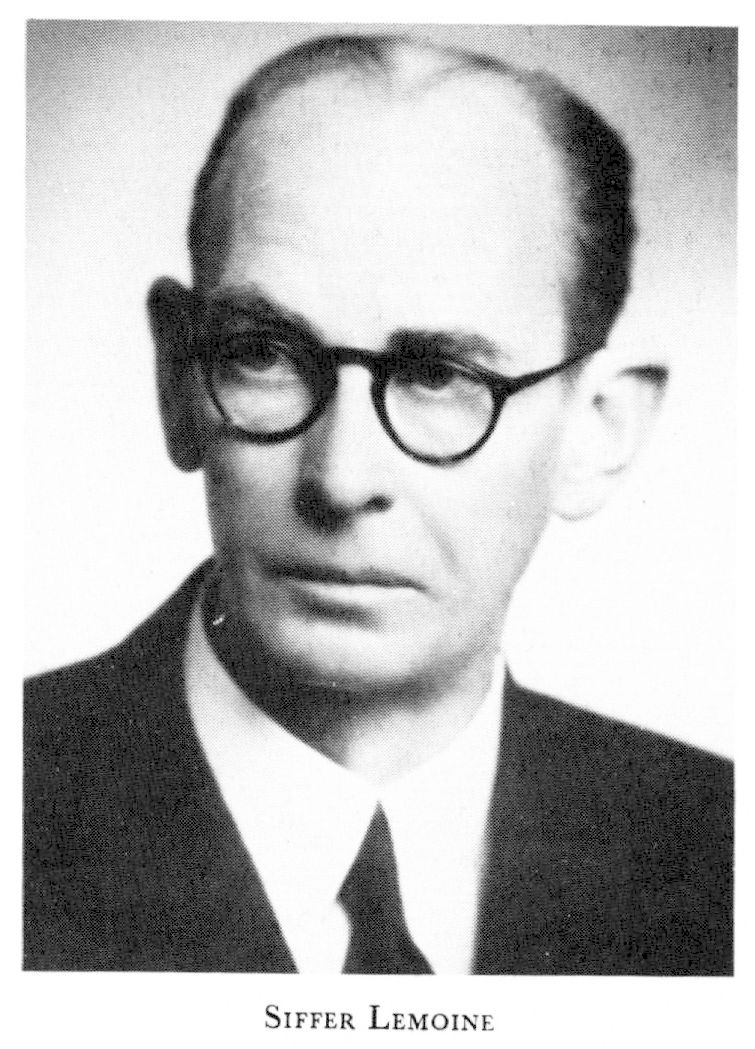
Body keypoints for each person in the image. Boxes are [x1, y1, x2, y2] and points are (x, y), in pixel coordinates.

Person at [24, 32, 732, 974]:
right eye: (265, 354)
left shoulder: (716, 858)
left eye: (439, 374)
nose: (341, 477)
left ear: (597, 430)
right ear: (176, 380)